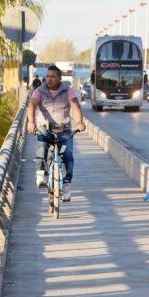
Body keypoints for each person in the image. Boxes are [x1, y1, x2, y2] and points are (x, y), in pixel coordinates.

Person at [27, 65, 86, 202]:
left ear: (60, 78)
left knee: (68, 156)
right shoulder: (39, 90)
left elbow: (75, 105)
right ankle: (40, 174)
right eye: (47, 76)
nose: (49, 79)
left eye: (53, 76)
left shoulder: (68, 90)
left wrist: (79, 122)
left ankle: (66, 186)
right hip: (45, 128)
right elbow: (32, 105)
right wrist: (31, 122)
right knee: (41, 147)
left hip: (64, 130)